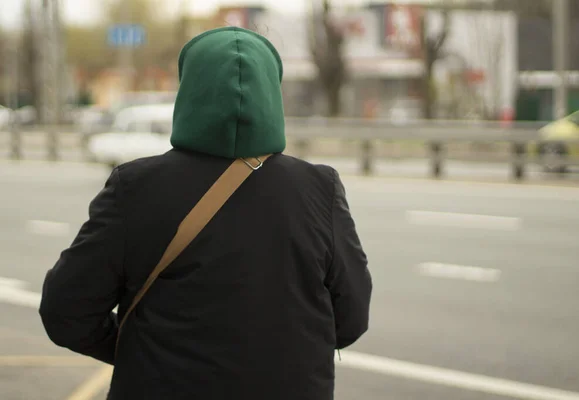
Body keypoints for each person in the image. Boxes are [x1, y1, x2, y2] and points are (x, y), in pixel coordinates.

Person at [39, 26, 372, 400]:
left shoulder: (134, 187)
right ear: (271, 93)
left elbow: (65, 311)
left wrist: (138, 350)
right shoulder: (318, 188)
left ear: (191, 92)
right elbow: (352, 316)